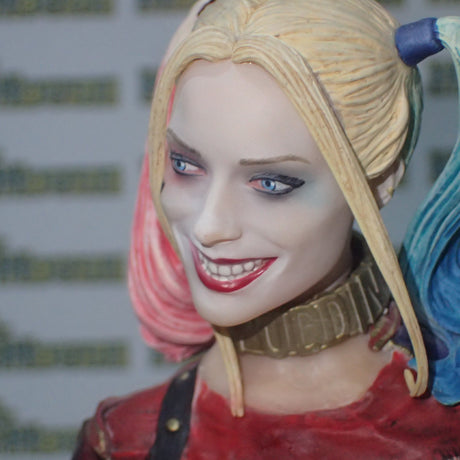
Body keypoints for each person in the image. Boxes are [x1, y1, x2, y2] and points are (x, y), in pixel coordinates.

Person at [73, 0, 460, 458]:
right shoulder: (124, 439)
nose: (209, 226)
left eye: (271, 184)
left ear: (381, 180)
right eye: (185, 165)